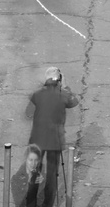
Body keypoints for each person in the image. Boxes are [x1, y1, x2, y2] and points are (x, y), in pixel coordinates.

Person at [27, 67, 79, 207]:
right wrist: (66, 85)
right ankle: (47, 204)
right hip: (54, 140)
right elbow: (74, 102)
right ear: (59, 80)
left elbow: (29, 107)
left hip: (37, 140)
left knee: (34, 172)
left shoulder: (38, 94)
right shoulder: (63, 94)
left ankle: (30, 204)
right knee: (51, 176)